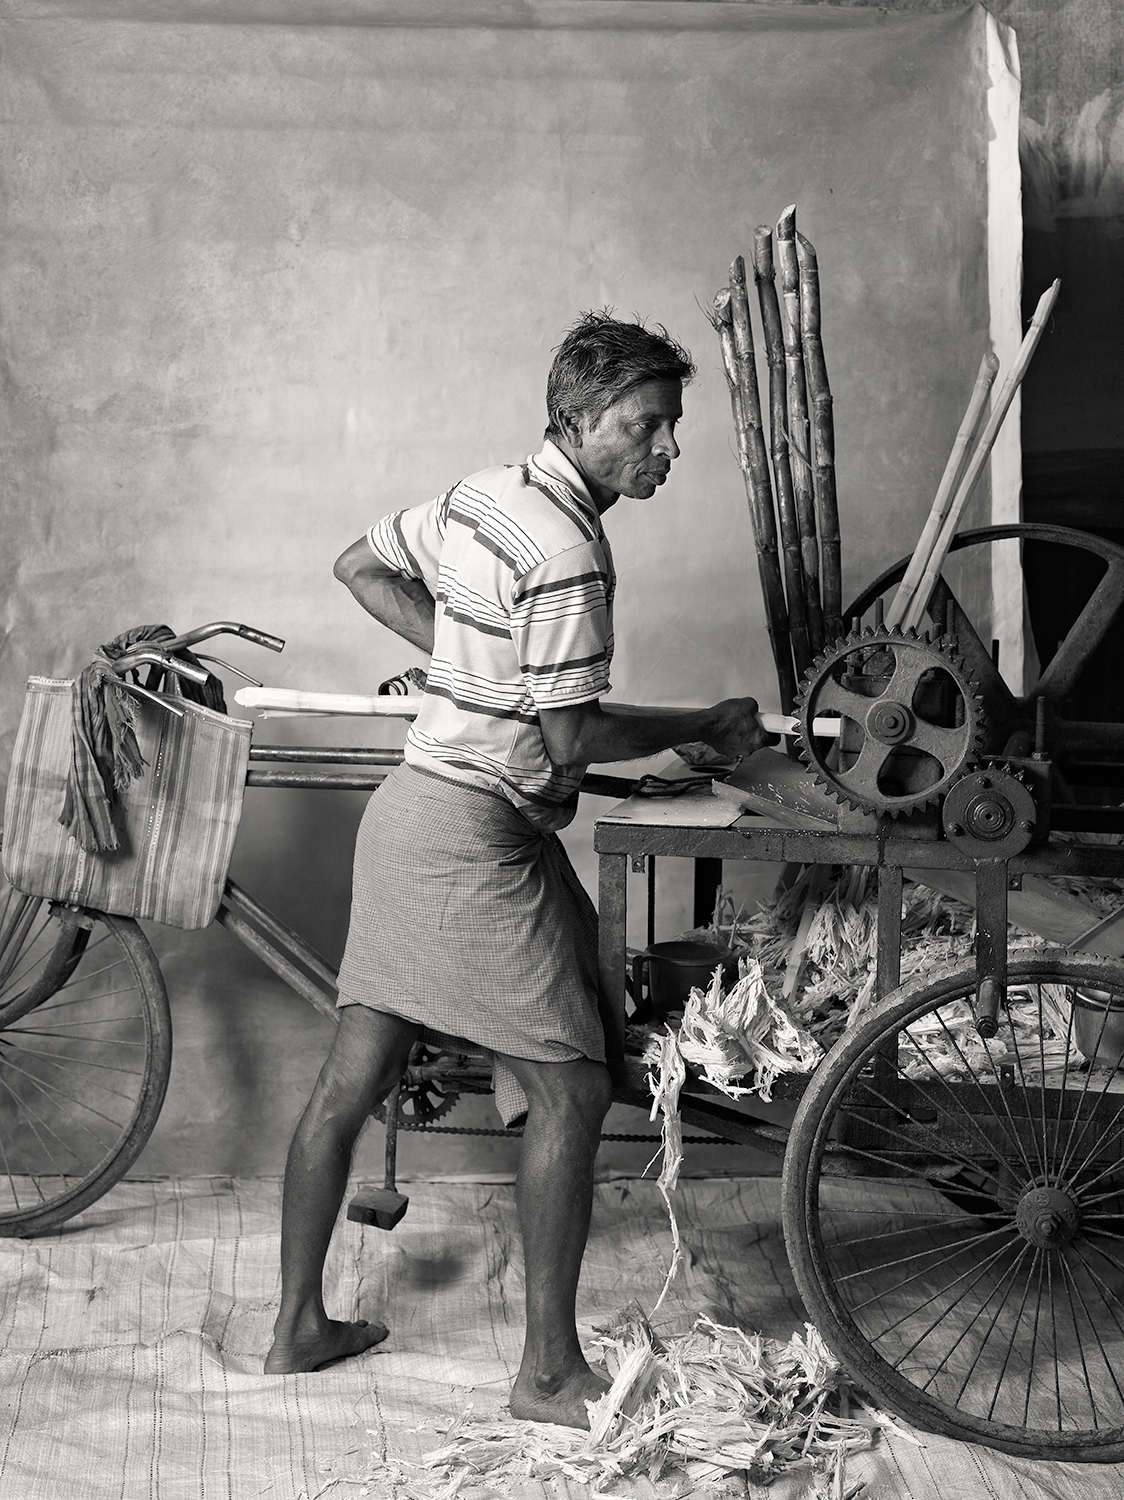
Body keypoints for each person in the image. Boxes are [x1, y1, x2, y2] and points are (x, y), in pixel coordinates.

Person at [264, 312, 769, 1427]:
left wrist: (461, 668)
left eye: (671, 428)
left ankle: (296, 1328)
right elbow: (565, 742)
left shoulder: (482, 494)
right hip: (470, 840)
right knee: (571, 1088)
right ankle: (546, 1374)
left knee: (352, 1079)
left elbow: (358, 563)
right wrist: (711, 722)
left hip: (411, 818)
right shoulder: (568, 551)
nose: (664, 451)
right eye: (644, 427)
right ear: (578, 420)